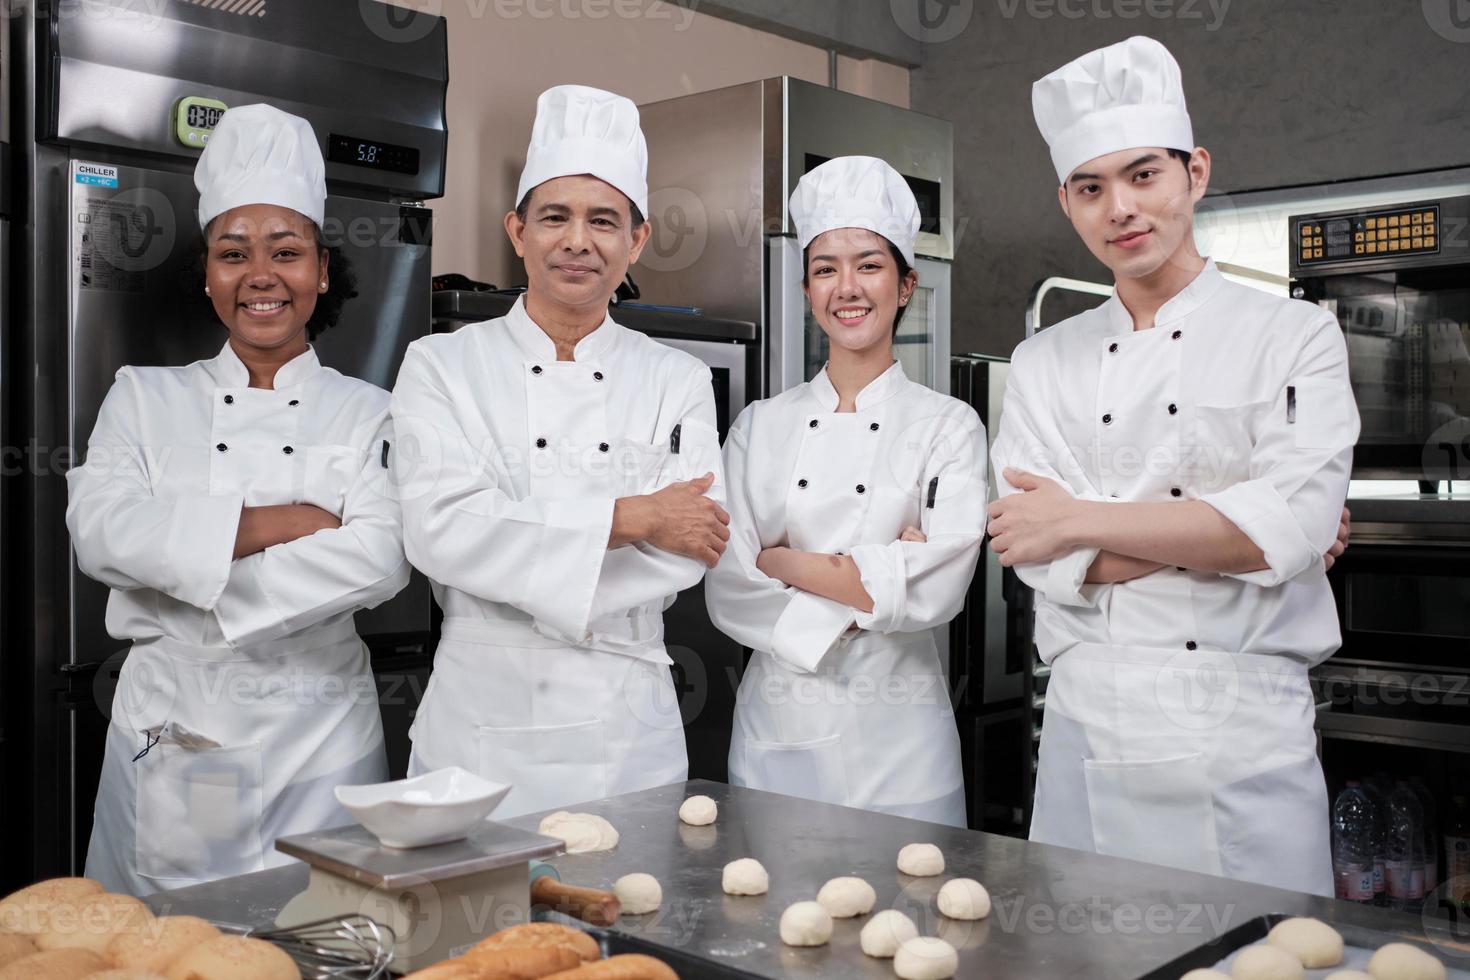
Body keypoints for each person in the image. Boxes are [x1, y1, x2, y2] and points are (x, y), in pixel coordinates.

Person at [990, 36, 1355, 894]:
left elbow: (1291, 529)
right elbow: (1030, 550)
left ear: (1194, 172)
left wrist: (1079, 519)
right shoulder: (1043, 359)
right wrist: (1242, 531)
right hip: (1093, 731)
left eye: (1143, 174)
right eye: (1091, 187)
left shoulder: (1295, 335)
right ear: (1067, 202)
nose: (1120, 207)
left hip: (1243, 740)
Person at [68, 104, 410, 894]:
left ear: (321, 270)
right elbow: (100, 532)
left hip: (320, 738)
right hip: (183, 729)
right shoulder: (143, 397)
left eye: (285, 251)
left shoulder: (372, 411)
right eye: (233, 253)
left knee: (327, 936)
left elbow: (381, 557)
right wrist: (282, 523)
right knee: (174, 947)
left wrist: (188, 571)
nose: (261, 275)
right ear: (210, 275)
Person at [391, 85, 729, 818]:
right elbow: (437, 530)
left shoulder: (679, 378)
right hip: (482, 724)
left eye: (603, 220)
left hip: (626, 725)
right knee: (478, 927)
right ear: (517, 231)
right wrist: (633, 516)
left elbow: (695, 543)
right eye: (555, 217)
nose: (578, 241)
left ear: (637, 241)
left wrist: (515, 538)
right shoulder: (439, 365)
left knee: (634, 924)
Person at [704, 156, 986, 827]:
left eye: (869, 264)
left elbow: (940, 588)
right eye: (826, 268)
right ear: (806, 291)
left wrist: (787, 562)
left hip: (905, 747)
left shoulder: (948, 425)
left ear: (906, 283)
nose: (846, 287)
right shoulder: (758, 426)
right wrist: (880, 573)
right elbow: (728, 586)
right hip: (779, 732)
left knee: (911, 928)